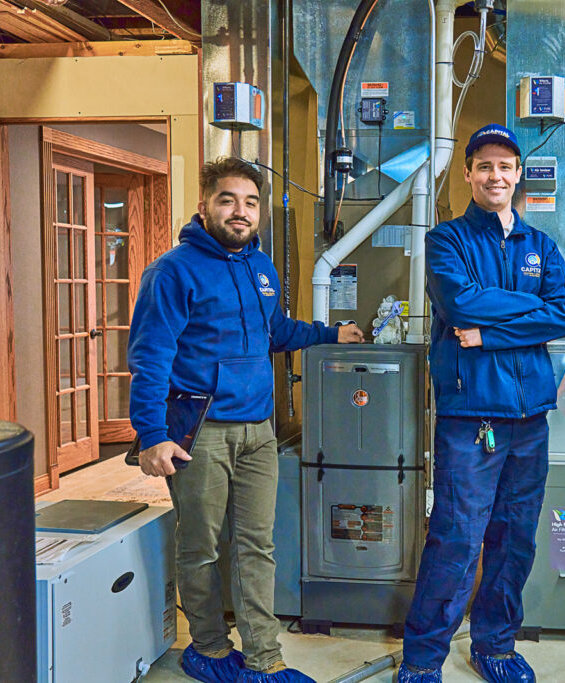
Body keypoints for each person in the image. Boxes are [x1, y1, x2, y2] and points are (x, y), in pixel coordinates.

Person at [128, 157, 364, 683]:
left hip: (260, 430)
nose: (240, 211)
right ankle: (208, 649)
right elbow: (150, 357)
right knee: (201, 546)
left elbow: (273, 331)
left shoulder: (261, 268)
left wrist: (329, 335)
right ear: (204, 206)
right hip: (201, 433)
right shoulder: (172, 271)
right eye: (227, 200)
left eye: (250, 202)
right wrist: (152, 435)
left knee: (259, 545)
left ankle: (265, 659)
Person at [398, 125, 565, 683]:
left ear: (518, 174)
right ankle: (423, 658)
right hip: (470, 417)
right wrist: (522, 311)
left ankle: (495, 645)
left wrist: (492, 333)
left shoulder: (540, 245)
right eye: (485, 166)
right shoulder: (446, 241)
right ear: (469, 173)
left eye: (505, 166)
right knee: (455, 536)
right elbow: (460, 302)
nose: (495, 176)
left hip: (529, 420)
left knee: (514, 537)